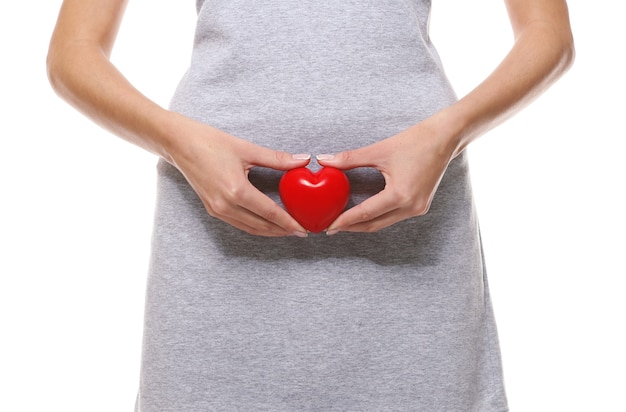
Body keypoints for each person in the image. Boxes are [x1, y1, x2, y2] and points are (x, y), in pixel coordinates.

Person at [47, 0, 574, 410]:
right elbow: (73, 52)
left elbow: (549, 37)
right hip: (216, 220)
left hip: (414, 215)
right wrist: (178, 142)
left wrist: (448, 133)